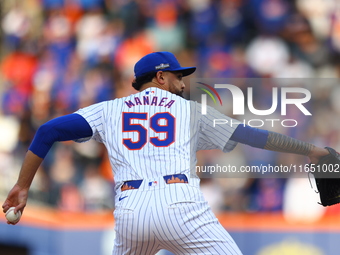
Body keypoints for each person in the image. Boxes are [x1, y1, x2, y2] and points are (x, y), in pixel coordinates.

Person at [2, 51, 329, 254]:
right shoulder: (191, 111)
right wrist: (308, 148)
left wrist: (22, 185)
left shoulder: (110, 110)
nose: (183, 84)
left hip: (131, 211)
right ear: (160, 76)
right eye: (177, 77)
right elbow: (251, 135)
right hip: (181, 205)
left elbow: (47, 131)